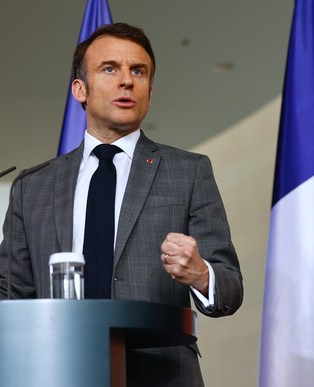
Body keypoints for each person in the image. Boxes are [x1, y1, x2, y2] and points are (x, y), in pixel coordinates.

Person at [0, 23, 243, 386]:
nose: (127, 81)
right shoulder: (32, 186)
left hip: (161, 373)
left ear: (149, 90)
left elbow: (231, 287)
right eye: (110, 68)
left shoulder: (189, 172)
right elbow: (10, 297)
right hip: (55, 369)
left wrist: (201, 274)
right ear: (79, 89)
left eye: (138, 71)